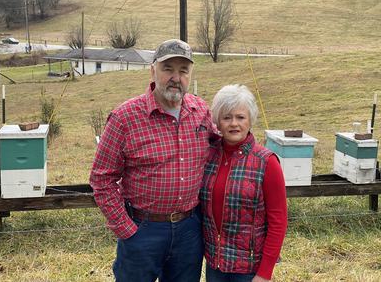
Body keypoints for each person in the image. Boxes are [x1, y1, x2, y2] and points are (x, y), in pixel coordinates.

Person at [89, 39, 215, 282]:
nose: (175, 77)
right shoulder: (124, 118)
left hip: (189, 229)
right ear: (153, 70)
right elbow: (101, 179)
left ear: (190, 75)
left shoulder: (201, 111)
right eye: (168, 69)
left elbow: (222, 144)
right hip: (143, 229)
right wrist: (127, 230)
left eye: (183, 71)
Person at [200, 84, 288, 282]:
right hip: (215, 264)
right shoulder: (209, 155)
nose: (234, 124)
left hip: (249, 268)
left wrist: (264, 273)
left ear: (250, 120)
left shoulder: (266, 162)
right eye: (226, 117)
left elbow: (278, 221)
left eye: (240, 117)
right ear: (218, 122)